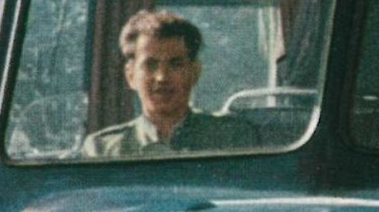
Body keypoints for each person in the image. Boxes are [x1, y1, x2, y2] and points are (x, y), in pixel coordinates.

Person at [82, 10, 257, 158]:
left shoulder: (232, 138)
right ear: (131, 75)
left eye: (175, 64)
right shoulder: (103, 150)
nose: (162, 77)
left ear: (195, 72)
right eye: (150, 65)